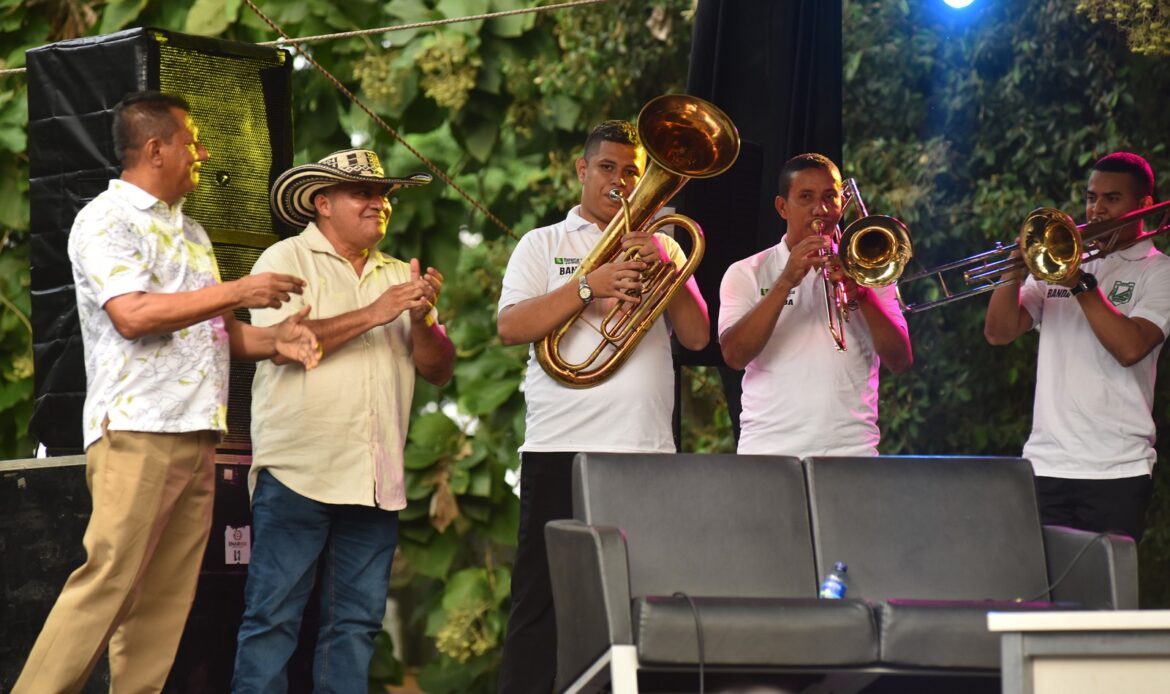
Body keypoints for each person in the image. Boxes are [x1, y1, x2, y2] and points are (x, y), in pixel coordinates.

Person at [13, 91, 320, 694]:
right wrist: (239, 290)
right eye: (192, 141)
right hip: (138, 428)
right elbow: (133, 315)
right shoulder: (106, 219)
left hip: (197, 431)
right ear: (155, 149)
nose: (201, 154)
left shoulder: (193, 231)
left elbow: (217, 333)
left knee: (164, 601)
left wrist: (275, 340)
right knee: (109, 582)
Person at [495, 119, 710, 692]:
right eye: (608, 168)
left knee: (646, 596)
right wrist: (590, 285)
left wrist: (668, 265)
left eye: (632, 172)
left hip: (643, 448)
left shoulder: (663, 243)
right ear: (582, 170)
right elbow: (511, 327)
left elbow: (696, 337)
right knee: (540, 601)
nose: (620, 181)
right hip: (559, 447)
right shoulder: (543, 243)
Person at [231, 148, 454, 692]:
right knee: (271, 623)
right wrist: (377, 312)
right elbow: (285, 346)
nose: (379, 203)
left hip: (375, 480)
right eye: (363, 193)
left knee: (355, 628)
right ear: (322, 203)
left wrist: (422, 320)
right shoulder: (284, 259)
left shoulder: (398, 273)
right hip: (298, 474)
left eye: (384, 195)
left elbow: (439, 371)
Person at [984, 151, 1170, 542]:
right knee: (1038, 582)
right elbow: (999, 332)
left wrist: (1078, 283)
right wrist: (1014, 266)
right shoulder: (1062, 258)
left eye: (1112, 198)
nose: (1097, 209)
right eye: (1091, 197)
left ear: (1144, 205)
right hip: (1045, 464)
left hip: (1116, 469)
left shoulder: (1158, 270)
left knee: (1104, 582)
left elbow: (1130, 348)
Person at [718, 152, 912, 456]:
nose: (820, 209)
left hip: (854, 452)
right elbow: (734, 355)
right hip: (768, 452)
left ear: (841, 203)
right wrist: (785, 281)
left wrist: (862, 294)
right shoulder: (746, 272)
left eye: (829, 197)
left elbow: (900, 361)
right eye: (806, 197)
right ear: (782, 207)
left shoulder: (869, 269)